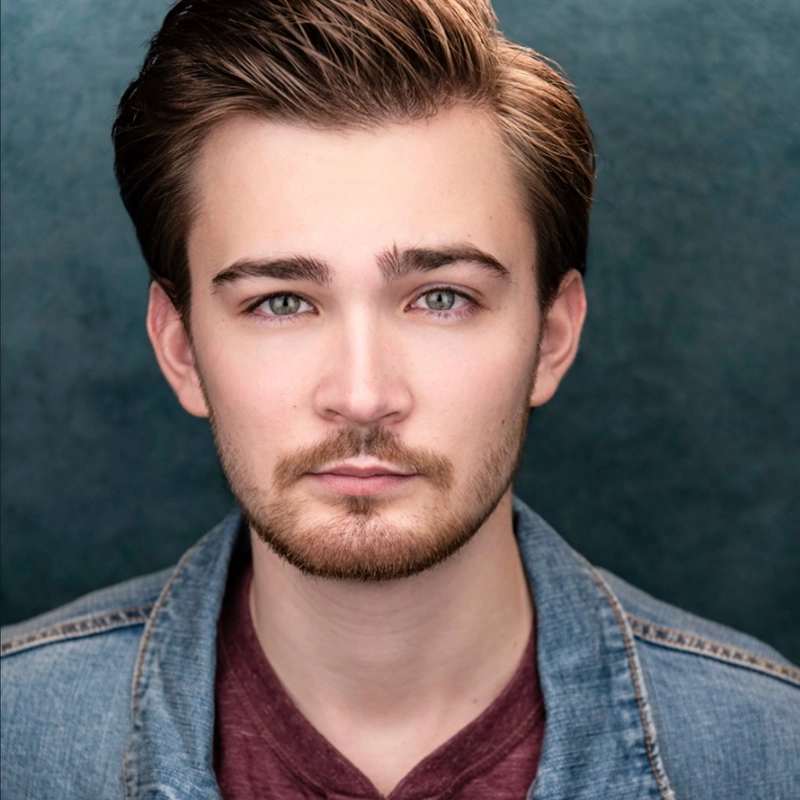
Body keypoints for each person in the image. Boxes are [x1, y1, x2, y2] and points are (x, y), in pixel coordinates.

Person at [1, 0, 798, 797]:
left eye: (441, 298)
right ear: (180, 348)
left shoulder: (770, 754)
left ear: (553, 336)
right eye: (281, 301)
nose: (361, 396)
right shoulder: (18, 738)